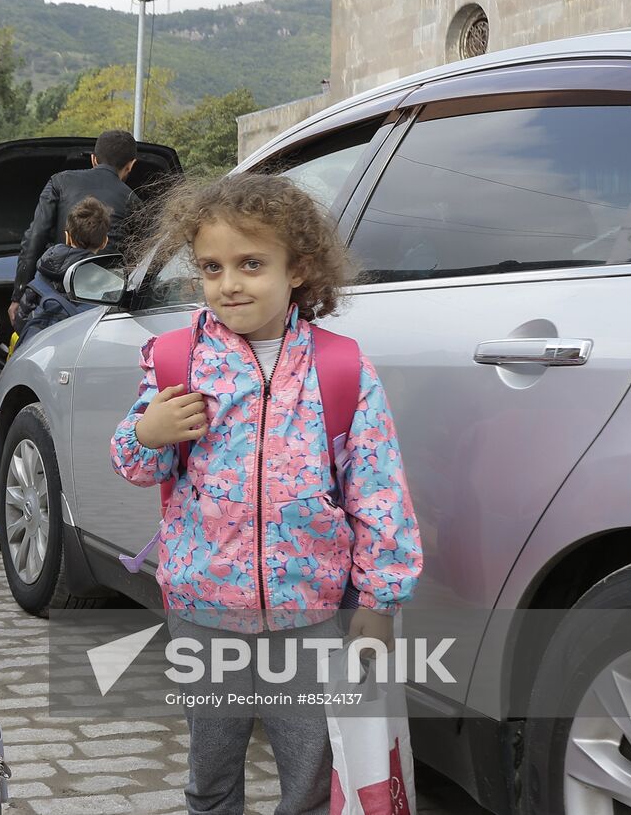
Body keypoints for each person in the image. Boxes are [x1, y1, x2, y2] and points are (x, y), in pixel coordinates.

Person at [110, 174, 422, 815]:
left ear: (299, 269)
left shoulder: (341, 369)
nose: (230, 284)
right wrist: (149, 431)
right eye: (212, 267)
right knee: (211, 768)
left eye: (252, 264)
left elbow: (379, 488)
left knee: (309, 770)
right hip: (203, 603)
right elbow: (135, 464)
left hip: (311, 611)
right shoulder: (176, 361)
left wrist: (380, 599)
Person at [9, 128, 142, 326]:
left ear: (94, 159)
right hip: (104, 310)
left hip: (56, 305)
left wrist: (18, 295)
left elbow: (35, 237)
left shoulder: (59, 182)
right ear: (131, 165)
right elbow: (141, 258)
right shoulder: (133, 201)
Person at [11, 196, 111, 350]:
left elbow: (21, 320)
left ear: (67, 236)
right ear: (104, 241)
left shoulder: (44, 270)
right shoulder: (106, 281)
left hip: (39, 353)